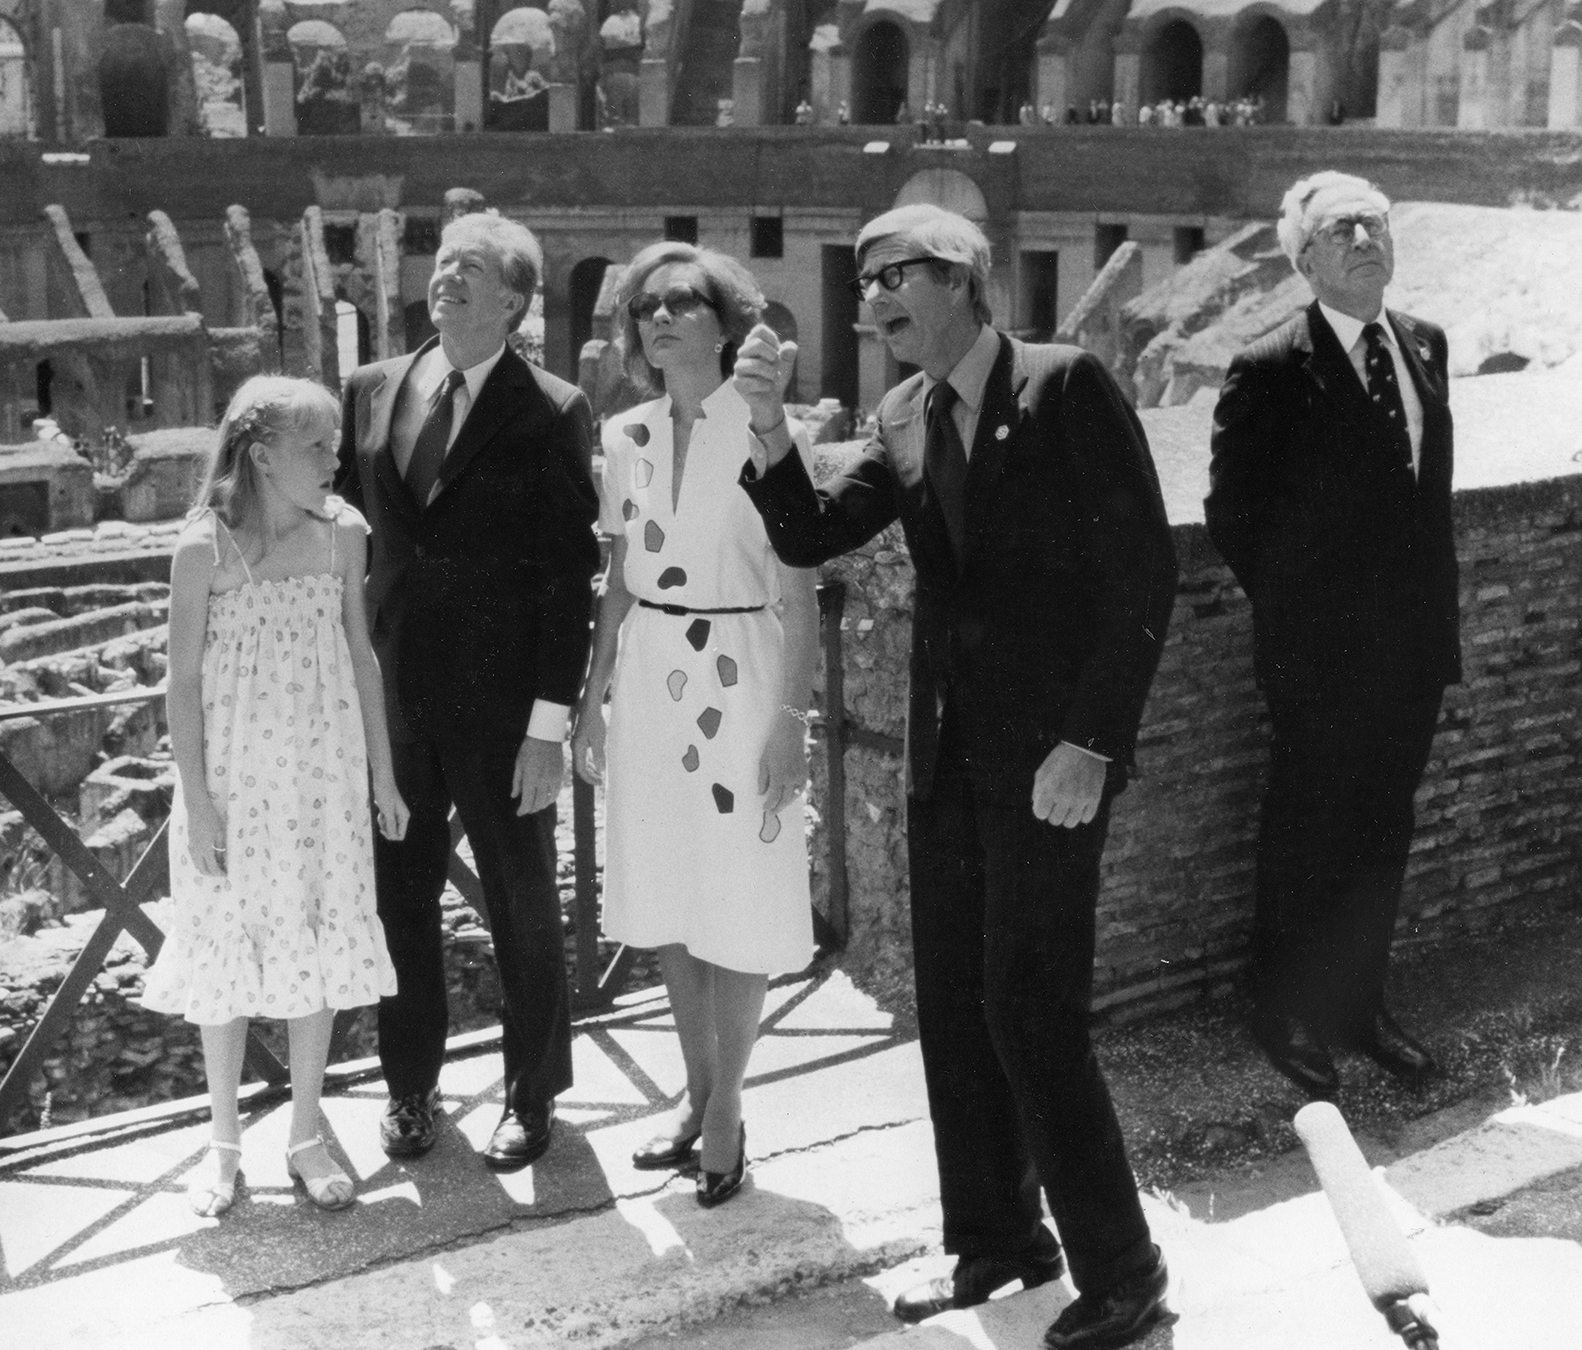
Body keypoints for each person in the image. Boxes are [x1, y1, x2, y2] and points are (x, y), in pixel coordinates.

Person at [730, 205, 1178, 1350]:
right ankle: (997, 1246)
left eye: (895, 276)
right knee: (957, 1009)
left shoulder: (1064, 385)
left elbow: (1141, 576)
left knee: (1034, 1008)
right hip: (948, 763)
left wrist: (1092, 742)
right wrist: (770, 427)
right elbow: (811, 537)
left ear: (963, 280)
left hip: (1050, 764)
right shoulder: (902, 411)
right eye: (866, 278)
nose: (872, 296)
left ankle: (1124, 1272)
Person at [332, 211, 602, 1169]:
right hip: (397, 701)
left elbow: (569, 580)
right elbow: (341, 533)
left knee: (522, 901)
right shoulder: (369, 388)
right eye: (444, 262)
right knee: (399, 899)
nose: (447, 278)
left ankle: (533, 1097)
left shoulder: (552, 407)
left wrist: (547, 728)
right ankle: (410, 1095)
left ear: (516, 300)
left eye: (473, 269)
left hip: (502, 712)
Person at [569, 243, 821, 1207]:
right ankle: (698, 1092)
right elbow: (618, 585)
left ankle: (725, 1115)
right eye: (645, 307)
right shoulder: (624, 436)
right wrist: (591, 700)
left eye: (683, 302)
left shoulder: (766, 431)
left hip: (746, 672)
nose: (659, 317)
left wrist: (792, 718)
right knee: (673, 895)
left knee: (739, 896)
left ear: (726, 322)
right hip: (647, 682)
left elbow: (800, 595)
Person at [1205, 172, 1460, 1100]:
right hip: (1321, 655)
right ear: (1304, 259)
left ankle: (1361, 1003)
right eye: (1341, 229)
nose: (1364, 238)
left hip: (1416, 647)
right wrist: (1304, 618)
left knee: (1383, 827)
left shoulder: (1425, 344)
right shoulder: (1272, 365)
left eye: (1375, 223)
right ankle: (1283, 1007)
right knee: (1308, 825)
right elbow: (1233, 512)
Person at [142, 374, 411, 1217]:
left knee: (317, 936)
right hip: (231, 780)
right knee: (225, 942)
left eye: (336, 443)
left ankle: (303, 1132)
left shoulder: (343, 538)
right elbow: (180, 685)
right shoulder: (203, 548)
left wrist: (383, 775)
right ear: (262, 455)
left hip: (321, 778)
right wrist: (198, 802)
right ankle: (223, 1142)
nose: (337, 460)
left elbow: (361, 658)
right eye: (317, 447)